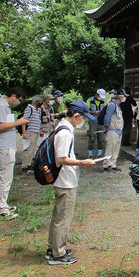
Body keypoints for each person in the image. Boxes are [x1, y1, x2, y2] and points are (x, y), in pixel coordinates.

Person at [46, 101, 96, 265]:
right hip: (65, 181)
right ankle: (58, 255)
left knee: (58, 216)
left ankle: (53, 248)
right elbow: (61, 159)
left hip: (63, 179)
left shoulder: (62, 127)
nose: (82, 121)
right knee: (63, 218)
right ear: (76, 116)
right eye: (82, 118)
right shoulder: (65, 133)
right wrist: (83, 162)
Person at [0, 86, 29, 219]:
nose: (17, 103)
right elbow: (0, 126)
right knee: (4, 179)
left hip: (3, 146)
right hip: (2, 147)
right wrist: (19, 122)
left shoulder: (3, 106)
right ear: (13, 96)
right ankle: (1, 210)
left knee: (0, 177)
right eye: (18, 99)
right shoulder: (0, 106)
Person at [103, 89, 127, 172]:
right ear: (120, 97)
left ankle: (113, 164)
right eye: (124, 96)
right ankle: (106, 165)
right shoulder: (112, 105)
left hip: (118, 130)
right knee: (110, 148)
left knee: (116, 149)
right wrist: (106, 127)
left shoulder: (118, 105)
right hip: (112, 130)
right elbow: (107, 117)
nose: (124, 98)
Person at [21, 95, 44, 175]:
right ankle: (24, 166)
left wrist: (40, 130)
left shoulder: (38, 110)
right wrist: (24, 133)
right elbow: (24, 121)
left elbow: (39, 121)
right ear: (36, 101)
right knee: (28, 149)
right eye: (40, 101)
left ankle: (29, 164)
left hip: (36, 131)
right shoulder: (29, 108)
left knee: (33, 149)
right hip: (30, 131)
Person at [86, 89, 107, 159]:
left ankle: (100, 153)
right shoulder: (90, 100)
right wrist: (93, 112)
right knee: (92, 136)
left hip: (101, 121)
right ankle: (90, 154)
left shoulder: (104, 101)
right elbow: (86, 111)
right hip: (92, 121)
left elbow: (106, 110)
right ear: (96, 94)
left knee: (101, 137)